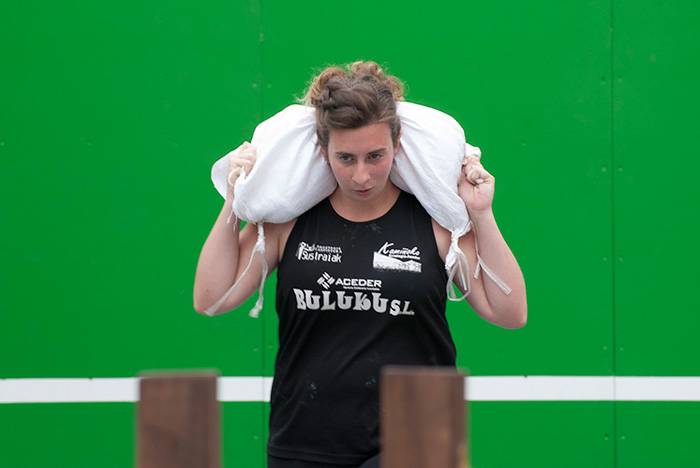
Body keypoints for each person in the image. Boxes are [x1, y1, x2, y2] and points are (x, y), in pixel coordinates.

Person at [194, 61, 527, 468]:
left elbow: (510, 313)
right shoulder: (288, 224)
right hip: (304, 442)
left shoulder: (437, 226)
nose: (362, 175)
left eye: (376, 156)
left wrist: (482, 214)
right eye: (346, 158)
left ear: (398, 143)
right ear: (323, 150)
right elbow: (211, 298)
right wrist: (234, 199)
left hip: (419, 444)